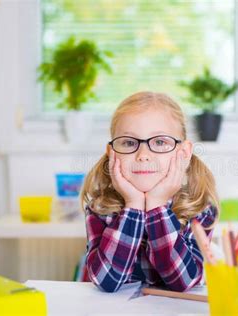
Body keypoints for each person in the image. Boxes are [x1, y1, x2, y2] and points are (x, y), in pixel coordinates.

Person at [79, 91, 220, 292]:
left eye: (160, 142)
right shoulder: (100, 208)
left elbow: (184, 281)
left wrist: (157, 206)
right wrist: (133, 206)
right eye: (128, 142)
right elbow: (106, 280)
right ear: (112, 154)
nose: (143, 155)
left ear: (184, 153)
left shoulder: (198, 207)